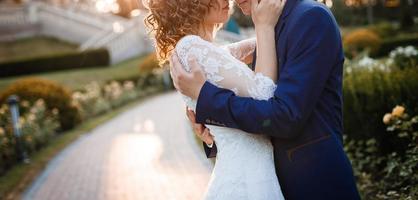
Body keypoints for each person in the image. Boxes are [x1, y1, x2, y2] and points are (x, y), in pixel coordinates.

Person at [170, 0, 361, 199]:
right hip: (264, 183)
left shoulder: (310, 18)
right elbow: (253, 104)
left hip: (314, 184)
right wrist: (215, 134)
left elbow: (286, 115)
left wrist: (207, 100)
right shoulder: (267, 26)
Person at [145, 0, 286, 199]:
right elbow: (264, 96)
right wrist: (264, 26)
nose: (226, 0)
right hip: (248, 180)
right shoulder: (192, 48)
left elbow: (249, 49)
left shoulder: (205, 50)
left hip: (246, 171)